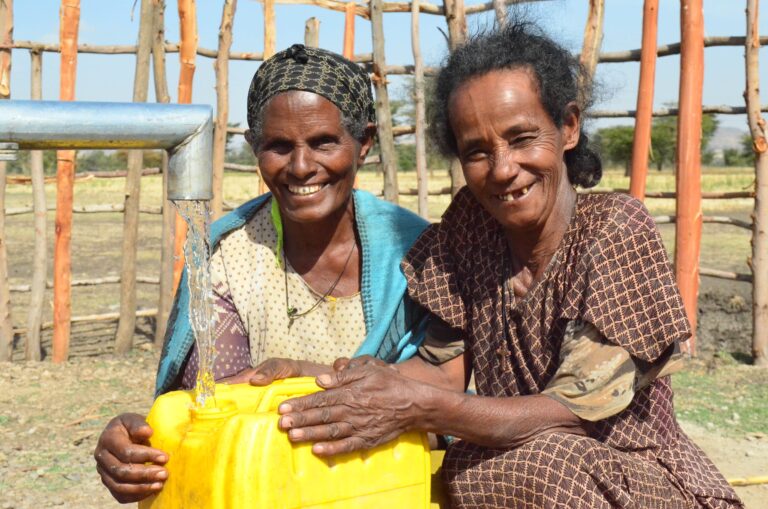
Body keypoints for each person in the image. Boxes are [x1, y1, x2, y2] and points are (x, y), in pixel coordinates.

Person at [273, 23, 744, 508]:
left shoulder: (614, 230)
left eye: (521, 138)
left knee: (542, 464)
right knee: (460, 470)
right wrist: (320, 380)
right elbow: (441, 372)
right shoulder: (470, 229)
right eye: (476, 151)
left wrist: (419, 408)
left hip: (632, 482)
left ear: (568, 127)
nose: (501, 168)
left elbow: (570, 414)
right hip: (517, 467)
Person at [94, 44, 433, 504]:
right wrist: (139, 447)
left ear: (365, 143)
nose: (300, 166)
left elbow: (453, 402)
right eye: (278, 146)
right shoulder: (229, 258)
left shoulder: (418, 256)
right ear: (254, 147)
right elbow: (214, 421)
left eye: (323, 142)